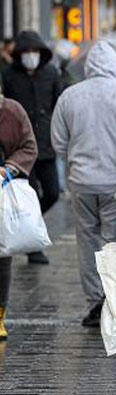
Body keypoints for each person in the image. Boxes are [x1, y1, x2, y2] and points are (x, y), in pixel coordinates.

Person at [50, 41, 116, 327]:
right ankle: (112, 299)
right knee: (113, 242)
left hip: (81, 181)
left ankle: (94, 300)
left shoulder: (70, 95)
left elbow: (58, 141)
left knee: (87, 241)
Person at [2, 30, 63, 265]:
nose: (30, 56)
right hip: (19, 149)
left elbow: (59, 104)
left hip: (46, 143)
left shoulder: (51, 73)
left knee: (51, 193)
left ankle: (31, 225)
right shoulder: (9, 75)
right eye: (26, 52)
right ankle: (33, 246)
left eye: (34, 52)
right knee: (30, 193)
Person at [0, 90, 38, 341]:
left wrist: (8, 170)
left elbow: (28, 146)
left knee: (1, 256)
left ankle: (0, 313)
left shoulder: (11, 110)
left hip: (2, 190)